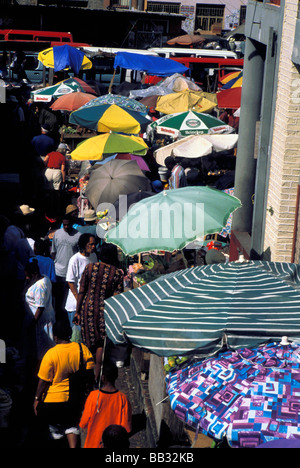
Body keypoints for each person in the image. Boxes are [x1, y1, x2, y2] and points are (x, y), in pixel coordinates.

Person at [34, 320, 95, 448]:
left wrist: (37, 399)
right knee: (72, 426)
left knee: (54, 429)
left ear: (55, 336)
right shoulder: (81, 349)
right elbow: (90, 372)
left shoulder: (51, 354)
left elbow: (43, 381)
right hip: (74, 401)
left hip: (52, 403)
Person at [74, 243, 124, 382]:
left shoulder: (90, 268)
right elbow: (116, 297)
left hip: (87, 309)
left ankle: (86, 373)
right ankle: (98, 373)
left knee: (88, 341)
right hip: (105, 312)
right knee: (101, 343)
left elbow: (82, 290)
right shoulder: (116, 273)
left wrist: (77, 311)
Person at [79, 361, 132, 448]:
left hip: (93, 443)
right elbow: (126, 428)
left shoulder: (93, 396)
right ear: (116, 377)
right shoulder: (123, 399)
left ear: (103, 378)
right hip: (114, 445)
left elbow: (84, 423)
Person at [24, 258, 56, 362]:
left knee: (43, 348)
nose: (27, 278)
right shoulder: (45, 278)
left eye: (28, 275)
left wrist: (33, 323)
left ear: (34, 274)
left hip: (42, 321)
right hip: (45, 318)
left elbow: (40, 307)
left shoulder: (40, 286)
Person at [51, 217, 81, 316]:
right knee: (59, 297)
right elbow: (53, 251)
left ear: (72, 223)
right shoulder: (57, 234)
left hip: (72, 273)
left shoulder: (78, 235)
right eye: (64, 225)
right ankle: (59, 318)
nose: (66, 227)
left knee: (70, 298)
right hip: (59, 271)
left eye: (68, 224)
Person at [65, 234, 97, 327]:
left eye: (94, 244)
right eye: (91, 244)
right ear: (84, 245)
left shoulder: (93, 256)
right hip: (75, 305)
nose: (93, 247)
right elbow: (70, 281)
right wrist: (78, 299)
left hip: (89, 303)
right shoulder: (75, 259)